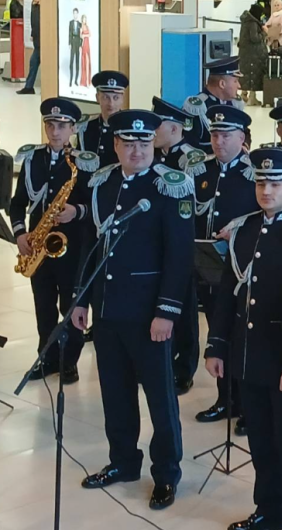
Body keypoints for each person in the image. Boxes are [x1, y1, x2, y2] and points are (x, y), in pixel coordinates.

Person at [71, 109, 194, 511]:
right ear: (115, 145)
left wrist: (167, 312)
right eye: (128, 143)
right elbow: (90, 246)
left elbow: (179, 257)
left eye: (144, 143)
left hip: (148, 314)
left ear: (153, 144)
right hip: (108, 310)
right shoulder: (102, 183)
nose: (137, 150)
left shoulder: (170, 187)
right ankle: (123, 462)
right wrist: (81, 299)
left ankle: (166, 473)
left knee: (160, 400)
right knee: (115, 393)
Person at [205, 148, 282, 530]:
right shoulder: (244, 229)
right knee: (259, 439)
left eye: (275, 184)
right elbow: (228, 295)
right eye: (261, 183)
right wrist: (216, 345)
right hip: (248, 354)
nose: (266, 191)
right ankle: (268, 512)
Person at [10, 98, 99, 384]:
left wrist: (76, 211)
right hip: (38, 246)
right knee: (44, 306)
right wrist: (20, 233)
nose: (55, 131)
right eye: (50, 125)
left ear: (73, 128)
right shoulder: (32, 159)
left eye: (61, 126)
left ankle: (69, 360)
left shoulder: (85, 163)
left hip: (72, 247)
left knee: (71, 306)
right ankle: (46, 358)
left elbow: (97, 205)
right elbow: (17, 203)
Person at [192, 105, 258, 432]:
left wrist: (239, 233)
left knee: (242, 336)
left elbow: (265, 218)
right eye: (215, 135)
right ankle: (225, 399)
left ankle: (247, 407)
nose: (218, 142)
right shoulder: (200, 171)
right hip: (209, 267)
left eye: (226, 135)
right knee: (217, 331)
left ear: (241, 137)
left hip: (244, 270)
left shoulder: (254, 174)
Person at [152, 96, 205, 395]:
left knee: (183, 309)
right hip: (156, 245)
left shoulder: (191, 160)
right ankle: (162, 361)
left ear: (174, 129)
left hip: (182, 244)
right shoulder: (156, 156)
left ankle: (184, 368)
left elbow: (194, 208)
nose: (153, 132)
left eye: (158, 126)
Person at [183, 56, 245, 154]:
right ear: (222, 84)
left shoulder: (234, 103)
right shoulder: (197, 107)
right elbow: (188, 144)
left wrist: (244, 146)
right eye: (235, 81)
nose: (239, 86)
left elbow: (244, 131)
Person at [76, 70, 128, 167]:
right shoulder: (86, 127)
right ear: (97, 98)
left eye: (116, 98)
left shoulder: (128, 127)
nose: (111, 104)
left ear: (122, 99)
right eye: (105, 97)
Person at [238, 3, 267, 107]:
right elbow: (254, 38)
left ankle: (244, 94)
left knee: (245, 73)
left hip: (245, 52)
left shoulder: (246, 20)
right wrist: (264, 33)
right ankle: (252, 97)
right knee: (253, 74)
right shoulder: (253, 23)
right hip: (253, 54)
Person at [18, 0, 41, 95]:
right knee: (33, 62)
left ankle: (30, 86)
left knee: (35, 62)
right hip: (37, 40)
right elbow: (33, 21)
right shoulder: (34, 5)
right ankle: (29, 87)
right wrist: (32, 33)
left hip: (44, 42)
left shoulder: (45, 5)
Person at [68, 8, 83, 88]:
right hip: (73, 42)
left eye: (76, 13)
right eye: (74, 13)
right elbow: (69, 33)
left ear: (78, 14)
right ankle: (70, 80)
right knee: (71, 61)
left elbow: (81, 36)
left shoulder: (80, 24)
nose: (75, 15)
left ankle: (76, 80)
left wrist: (80, 45)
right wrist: (69, 43)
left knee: (77, 61)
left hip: (78, 42)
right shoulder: (70, 23)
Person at [80, 15, 92, 88]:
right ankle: (86, 82)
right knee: (85, 62)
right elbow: (81, 36)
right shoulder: (81, 27)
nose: (84, 20)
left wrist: (85, 35)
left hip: (88, 45)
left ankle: (88, 81)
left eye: (85, 19)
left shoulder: (87, 26)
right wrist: (85, 35)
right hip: (84, 44)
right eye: (83, 19)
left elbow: (90, 34)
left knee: (88, 63)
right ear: (82, 20)